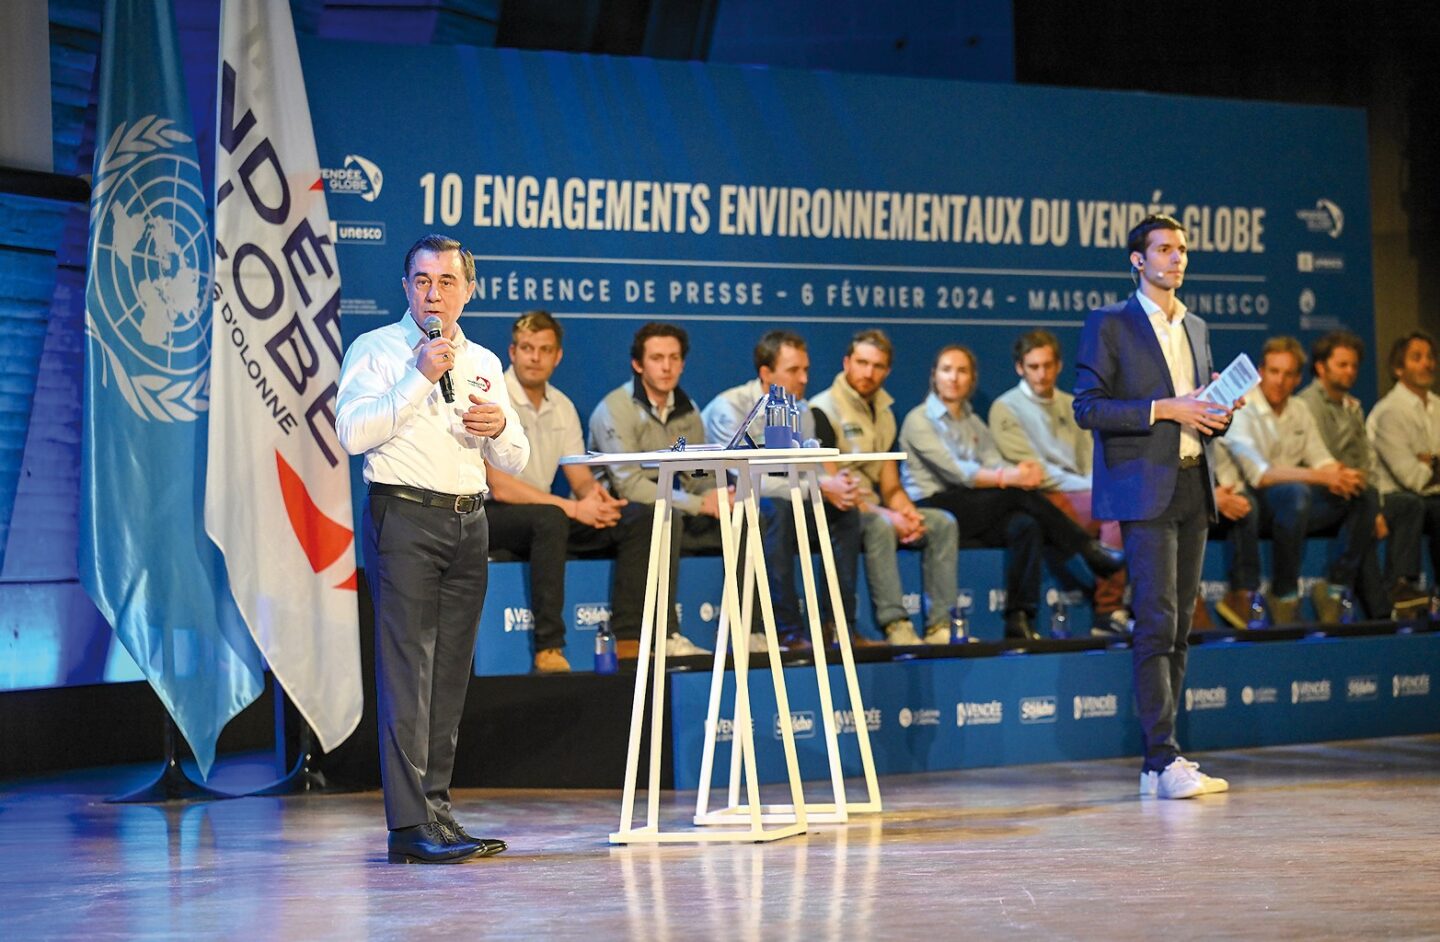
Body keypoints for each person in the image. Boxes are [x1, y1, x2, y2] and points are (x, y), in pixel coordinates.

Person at [337, 234, 527, 863]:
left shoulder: (484, 361)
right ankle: (407, 827)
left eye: (447, 282)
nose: (434, 293)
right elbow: (353, 431)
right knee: (406, 674)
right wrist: (419, 379)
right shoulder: (378, 349)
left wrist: (500, 428)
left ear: (469, 291)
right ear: (405, 287)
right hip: (405, 518)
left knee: (448, 675)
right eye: (422, 280)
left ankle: (438, 815)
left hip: (469, 521)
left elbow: (518, 456)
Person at [1073, 213, 1235, 800]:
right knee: (1156, 619)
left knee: (1183, 624)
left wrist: (1217, 410)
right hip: (1144, 487)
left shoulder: (1195, 326)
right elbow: (1088, 407)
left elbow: (1197, 416)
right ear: (1137, 260)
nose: (1177, 259)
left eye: (1183, 250)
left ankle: (1161, 763)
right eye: (1164, 250)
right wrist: (1166, 408)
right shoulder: (1110, 323)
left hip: (1194, 483)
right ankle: (1160, 757)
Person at [901, 344, 1125, 641]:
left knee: (1026, 524)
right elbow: (958, 473)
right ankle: (1087, 549)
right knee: (1015, 495)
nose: (953, 378)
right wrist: (1011, 476)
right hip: (933, 505)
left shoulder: (973, 422)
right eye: (946, 370)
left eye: (962, 371)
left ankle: (1020, 617)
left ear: (972, 378)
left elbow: (993, 462)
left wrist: (1020, 473)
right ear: (934, 376)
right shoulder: (919, 420)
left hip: (972, 507)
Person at [484, 311, 662, 673]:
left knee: (637, 517)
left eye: (545, 349)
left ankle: (628, 638)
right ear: (512, 352)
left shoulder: (562, 406)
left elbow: (579, 477)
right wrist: (571, 507)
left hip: (545, 515)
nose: (535, 357)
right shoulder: (492, 398)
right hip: (492, 516)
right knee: (551, 518)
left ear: (558, 356)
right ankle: (549, 647)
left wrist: (597, 499)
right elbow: (499, 486)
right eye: (527, 348)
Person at [702, 330, 864, 652]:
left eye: (806, 369)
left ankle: (839, 625)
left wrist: (837, 486)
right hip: (729, 499)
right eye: (793, 370)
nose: (804, 379)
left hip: (787, 496)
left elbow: (811, 467)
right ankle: (786, 629)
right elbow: (746, 478)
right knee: (775, 508)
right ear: (766, 373)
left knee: (845, 512)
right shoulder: (730, 407)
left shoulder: (800, 410)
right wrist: (818, 486)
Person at [810, 329, 959, 645]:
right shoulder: (821, 409)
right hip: (843, 512)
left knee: (942, 523)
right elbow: (837, 489)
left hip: (877, 507)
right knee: (878, 525)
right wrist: (888, 516)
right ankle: (896, 624)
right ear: (846, 362)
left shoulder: (886, 413)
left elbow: (890, 484)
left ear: (887, 370)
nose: (868, 372)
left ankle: (940, 627)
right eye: (861, 363)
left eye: (877, 366)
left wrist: (906, 511)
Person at [1217, 336, 1380, 625]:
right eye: (1273, 371)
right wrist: (1322, 476)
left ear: (1297, 379)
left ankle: (1334, 588)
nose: (1280, 380)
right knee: (1296, 493)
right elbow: (1261, 474)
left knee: (1363, 493)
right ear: (1260, 372)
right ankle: (1284, 595)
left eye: (1289, 374)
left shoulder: (1299, 409)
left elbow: (1321, 457)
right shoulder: (1242, 407)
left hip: (1294, 509)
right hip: (1254, 502)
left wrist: (1341, 475)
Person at [989, 329, 1131, 635]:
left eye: (1047, 366)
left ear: (1059, 366)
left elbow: (1091, 456)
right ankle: (1108, 611)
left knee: (1128, 503)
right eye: (1033, 367)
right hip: (1043, 497)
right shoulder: (1005, 407)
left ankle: (1146, 611)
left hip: (1082, 489)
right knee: (1114, 509)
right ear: (1020, 368)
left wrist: (1099, 486)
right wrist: (1091, 488)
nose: (1041, 374)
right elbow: (1035, 472)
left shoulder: (1071, 404)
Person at [588, 321, 716, 658]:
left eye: (674, 358)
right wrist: (698, 504)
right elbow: (628, 484)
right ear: (638, 364)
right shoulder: (615, 409)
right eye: (657, 358)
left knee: (747, 519)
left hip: (674, 506)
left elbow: (697, 471)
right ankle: (662, 635)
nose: (667, 366)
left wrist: (715, 496)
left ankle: (752, 630)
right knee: (661, 517)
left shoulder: (689, 411)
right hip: (619, 512)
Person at [1298, 330, 1419, 617]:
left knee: (1409, 505)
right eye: (1342, 365)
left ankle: (1402, 585)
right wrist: (1369, 503)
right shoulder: (1306, 404)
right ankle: (1353, 593)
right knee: (1364, 506)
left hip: (1358, 493)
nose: (1350, 371)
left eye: (1354, 365)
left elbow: (1368, 461)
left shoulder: (1353, 406)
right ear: (1321, 367)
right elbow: (1321, 458)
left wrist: (1376, 507)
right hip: (1323, 495)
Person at [1367, 330, 1440, 596]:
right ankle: (1401, 586)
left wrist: (1429, 460)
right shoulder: (1389, 412)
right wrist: (1434, 461)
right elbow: (1412, 478)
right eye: (1416, 357)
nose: (1427, 363)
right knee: (1419, 505)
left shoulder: (1437, 406)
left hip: (1431, 496)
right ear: (1398, 368)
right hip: (1394, 498)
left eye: (1430, 357)